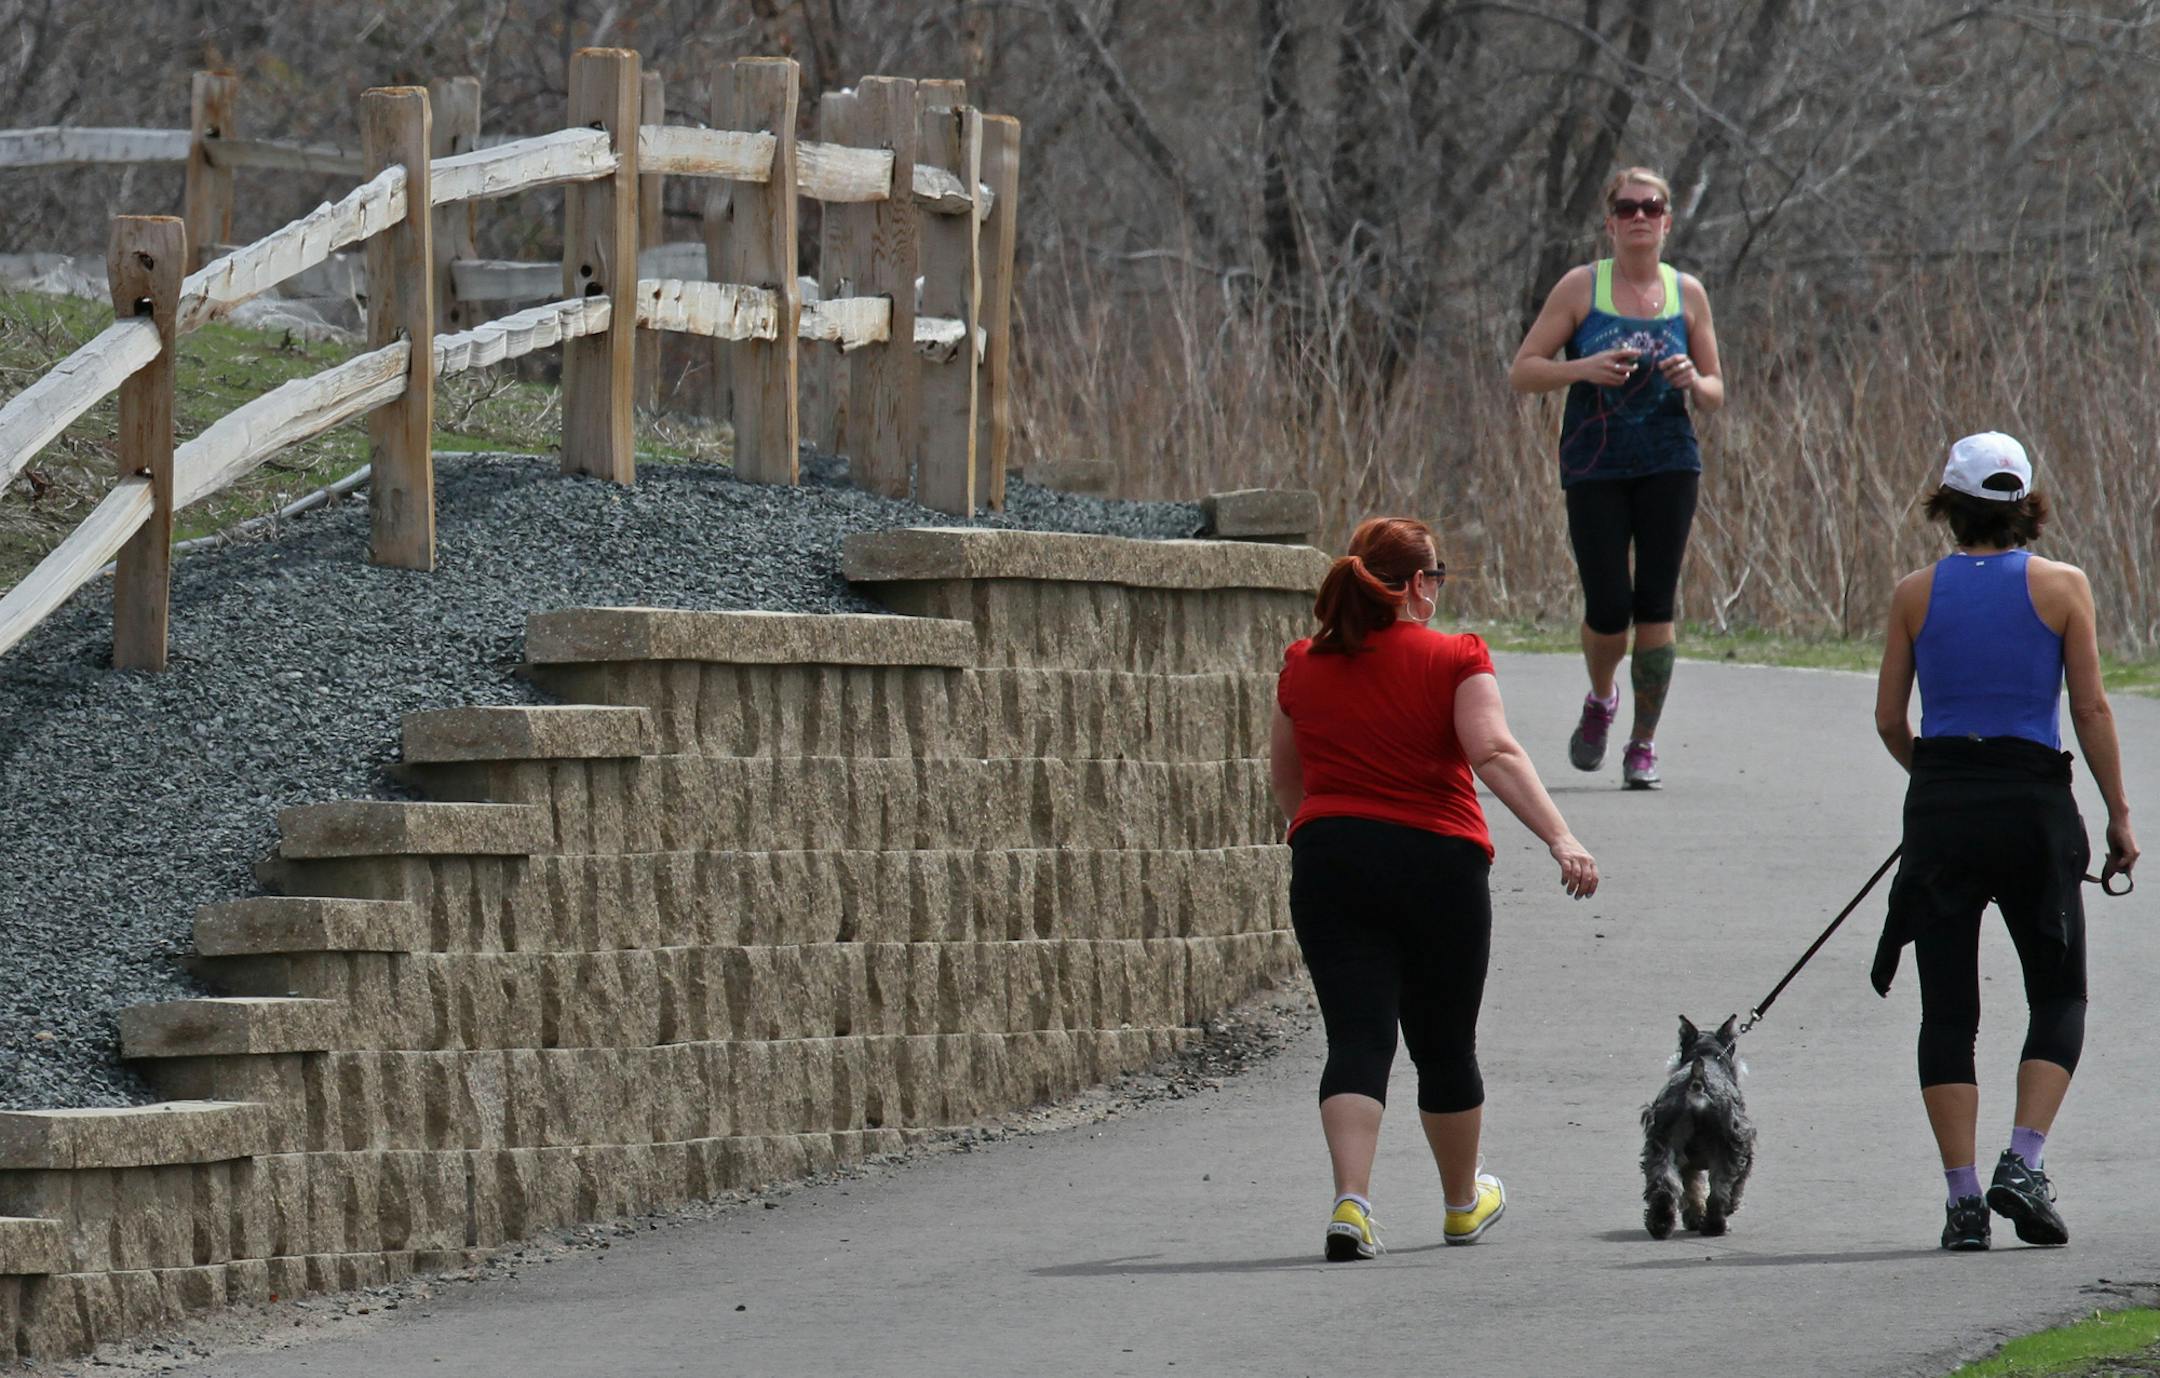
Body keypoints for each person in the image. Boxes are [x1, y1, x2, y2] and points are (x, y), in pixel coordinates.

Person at [1271, 516, 1599, 1261]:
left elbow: (1286, 782)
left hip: (1329, 860)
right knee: (1444, 1043)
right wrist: (1561, 836)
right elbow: (1492, 750)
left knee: (1357, 1037)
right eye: (1438, 578)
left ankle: (1351, 1205)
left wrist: (1332, 837)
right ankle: (1460, 1204)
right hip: (1437, 865)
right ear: (1418, 585)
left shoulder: (1302, 664)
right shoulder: (1456, 656)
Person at [1870, 432, 2138, 1252]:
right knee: (2059, 995)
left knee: (1948, 1009)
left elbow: (1889, 719)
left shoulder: (1914, 593)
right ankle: (2021, 1164)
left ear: (1947, 506)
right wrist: (2120, 816)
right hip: (2033, 808)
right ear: (2027, 503)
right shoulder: (2064, 588)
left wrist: (1943, 779)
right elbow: (2089, 710)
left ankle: (1960, 1203)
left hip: (1944, 809)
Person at [1508, 166, 1725, 789]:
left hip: (1668, 460)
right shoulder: (1582, 287)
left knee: (1656, 600)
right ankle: (1602, 699)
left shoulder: (1688, 293)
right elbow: (1524, 371)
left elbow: (1715, 392)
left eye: (1650, 207)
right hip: (1594, 462)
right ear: (1609, 223)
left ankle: (1643, 742)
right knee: (1608, 605)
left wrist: (1691, 378)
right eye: (1627, 208)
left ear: (1667, 221)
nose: (1639, 217)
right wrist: (1587, 369)